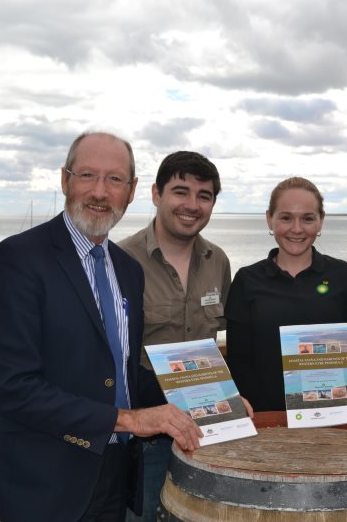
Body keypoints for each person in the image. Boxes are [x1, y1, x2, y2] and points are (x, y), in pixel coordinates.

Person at [0, 132, 203, 522]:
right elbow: (13, 388)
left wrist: (209, 399)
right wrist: (131, 420)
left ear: (131, 192)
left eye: (114, 180)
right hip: (42, 484)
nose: (100, 192)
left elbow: (124, 375)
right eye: (87, 176)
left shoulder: (128, 270)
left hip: (114, 476)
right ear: (65, 180)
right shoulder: (18, 258)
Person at [118, 151, 231, 522]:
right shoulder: (120, 261)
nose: (192, 205)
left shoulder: (218, 261)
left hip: (206, 430)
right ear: (156, 194)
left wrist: (231, 397)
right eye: (181, 192)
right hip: (146, 437)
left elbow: (219, 344)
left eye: (204, 196)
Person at [225, 177, 347, 411]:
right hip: (265, 421)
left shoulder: (344, 275)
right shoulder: (246, 279)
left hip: (332, 416)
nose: (297, 228)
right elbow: (239, 361)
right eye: (286, 217)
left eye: (308, 218)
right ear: (269, 219)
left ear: (321, 221)